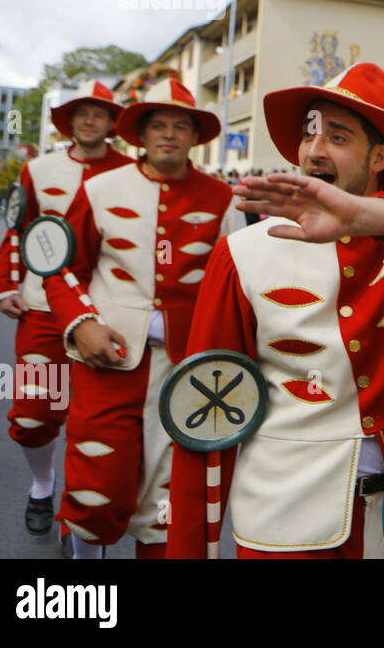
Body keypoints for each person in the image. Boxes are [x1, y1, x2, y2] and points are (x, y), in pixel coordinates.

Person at [167, 63, 384, 558]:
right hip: (287, 521)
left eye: (338, 136)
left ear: (379, 156)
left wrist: (366, 215)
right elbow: (207, 411)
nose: (314, 150)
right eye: (309, 134)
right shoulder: (243, 252)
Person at [42, 80, 246, 558]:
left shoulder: (223, 197)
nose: (169, 134)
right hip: (107, 358)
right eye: (158, 124)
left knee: (169, 502)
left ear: (195, 136)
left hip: (187, 367)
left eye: (181, 125)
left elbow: (237, 285)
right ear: (141, 133)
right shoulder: (99, 189)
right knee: (96, 485)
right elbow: (61, 270)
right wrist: (82, 324)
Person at [0, 81, 133, 544]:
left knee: (98, 426)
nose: (90, 121)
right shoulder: (38, 167)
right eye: (81, 113)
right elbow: (18, 229)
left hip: (107, 311)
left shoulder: (132, 171)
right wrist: (6, 285)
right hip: (43, 306)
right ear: (68, 121)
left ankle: (83, 523)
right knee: (34, 415)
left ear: (113, 123)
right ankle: (42, 486)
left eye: (99, 114)